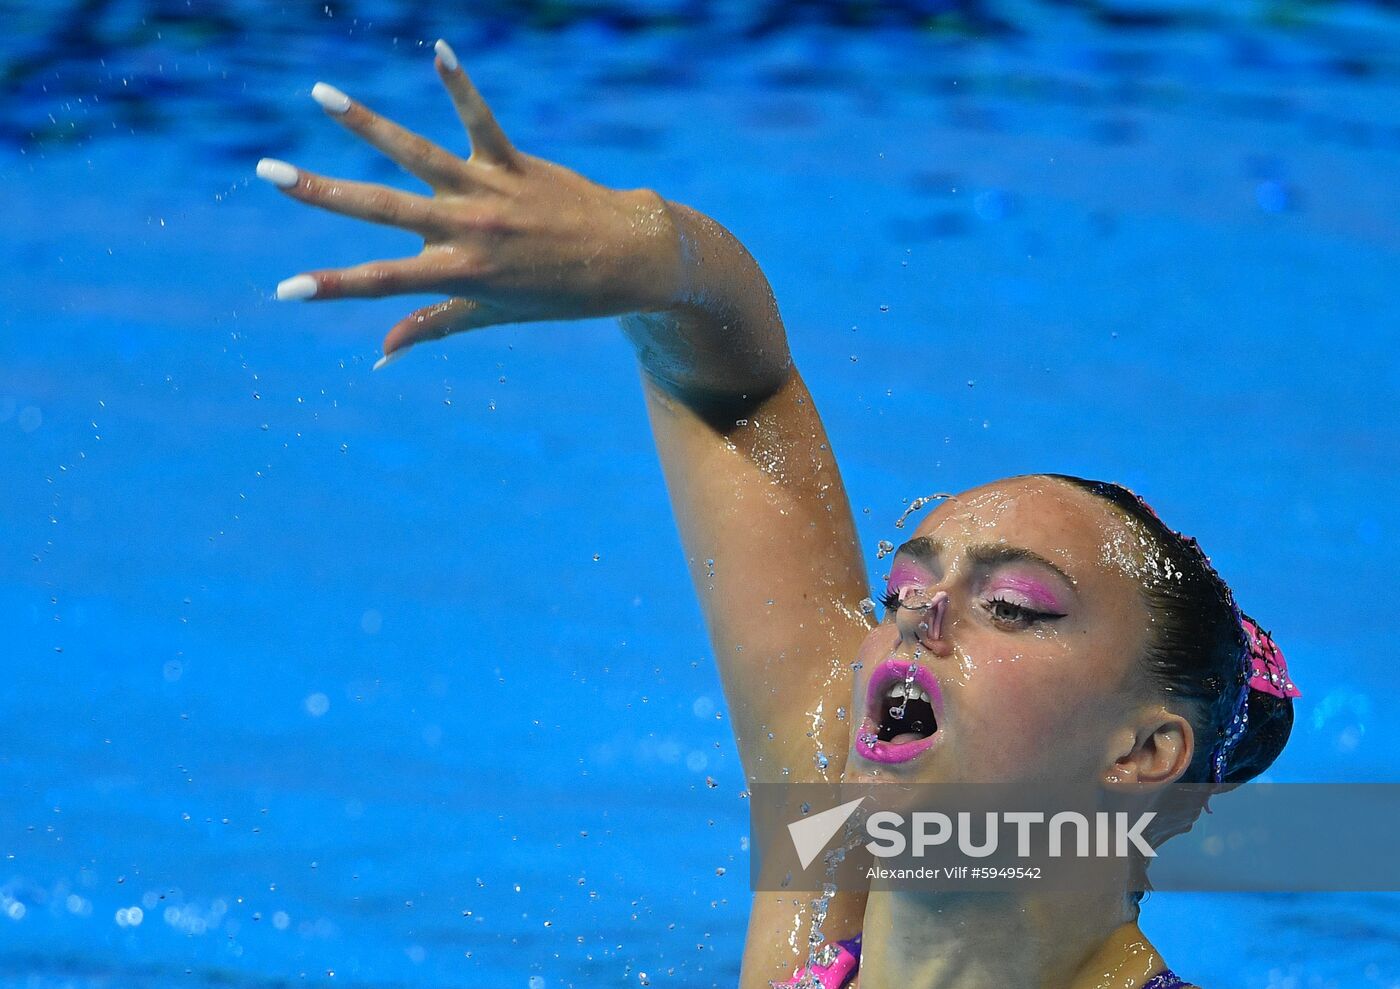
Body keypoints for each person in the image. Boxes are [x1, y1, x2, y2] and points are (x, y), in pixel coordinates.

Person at [256, 40, 1298, 989]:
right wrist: (648, 255)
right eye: (904, 587)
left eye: (1015, 606)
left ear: (1140, 754)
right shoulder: (832, 831)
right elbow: (734, 392)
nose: (916, 618)